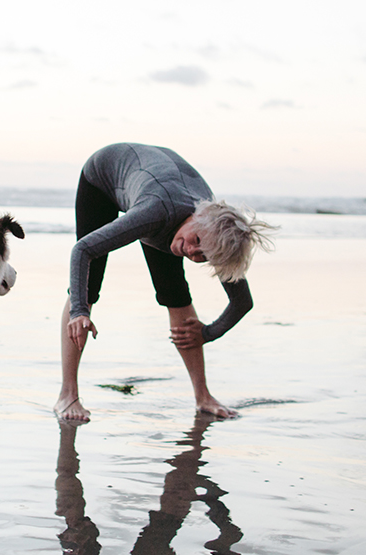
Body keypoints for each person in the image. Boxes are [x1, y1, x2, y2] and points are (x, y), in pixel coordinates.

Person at [54, 143, 275, 422]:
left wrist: (207, 333)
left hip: (162, 189)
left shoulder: (218, 236)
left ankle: (203, 396)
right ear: (198, 217)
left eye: (202, 256)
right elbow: (83, 250)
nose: (191, 252)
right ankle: (67, 394)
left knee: (175, 293)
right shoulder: (157, 211)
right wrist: (79, 312)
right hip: (104, 177)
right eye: (196, 242)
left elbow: (242, 301)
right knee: (86, 288)